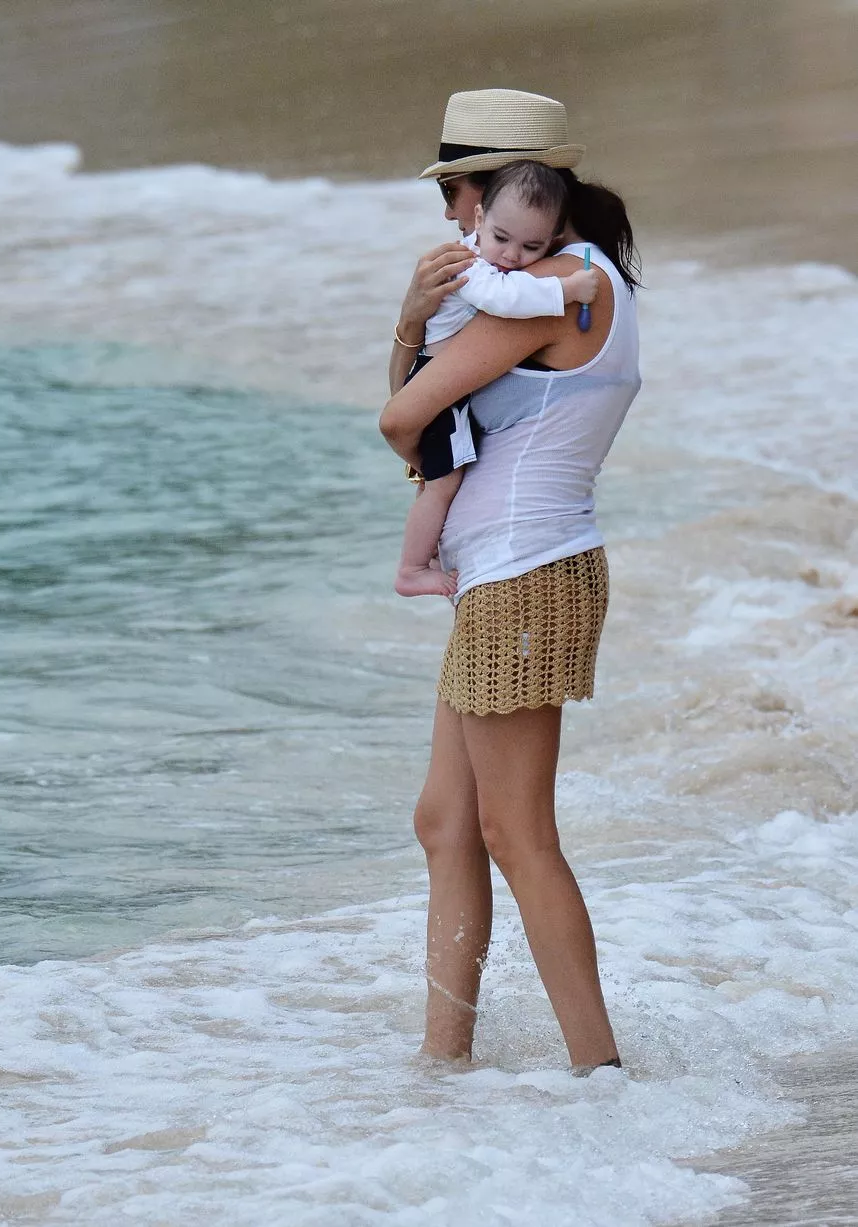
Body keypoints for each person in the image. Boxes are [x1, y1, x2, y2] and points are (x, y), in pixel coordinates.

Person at [379, 88, 642, 1074]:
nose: (453, 220)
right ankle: (443, 1064)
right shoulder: (569, 274)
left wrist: (411, 318)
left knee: (517, 830)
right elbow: (421, 422)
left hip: (527, 576)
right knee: (446, 820)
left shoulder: (555, 285)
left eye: (459, 194)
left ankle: (601, 1074)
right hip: (511, 575)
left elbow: (402, 421)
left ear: (501, 188)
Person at [395, 160, 600, 598]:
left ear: (555, 238)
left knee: (437, 481)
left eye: (531, 247)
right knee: (442, 482)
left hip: (444, 383)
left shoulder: (491, 249)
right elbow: (504, 299)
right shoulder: (470, 262)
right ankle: (411, 569)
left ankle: (423, 556)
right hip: (440, 382)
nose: (510, 256)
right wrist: (567, 290)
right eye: (502, 239)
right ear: (482, 218)